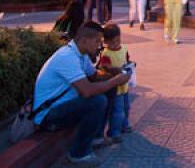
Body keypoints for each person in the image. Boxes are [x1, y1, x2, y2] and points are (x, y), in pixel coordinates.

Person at [33, 22, 130, 165]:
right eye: (97, 41)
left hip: (65, 105)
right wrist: (115, 81)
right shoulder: (67, 57)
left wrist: (113, 73)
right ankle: (79, 153)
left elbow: (95, 75)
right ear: (84, 41)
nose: (100, 46)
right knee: (97, 101)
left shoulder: (81, 54)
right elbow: (87, 91)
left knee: (108, 88)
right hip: (48, 115)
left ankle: (96, 138)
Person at [98, 23, 133, 142]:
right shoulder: (106, 53)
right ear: (106, 41)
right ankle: (114, 132)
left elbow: (127, 60)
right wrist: (115, 70)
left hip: (125, 86)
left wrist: (130, 65)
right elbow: (105, 67)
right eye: (112, 42)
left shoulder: (124, 49)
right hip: (115, 87)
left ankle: (124, 125)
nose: (115, 44)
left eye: (118, 41)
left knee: (126, 107)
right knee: (117, 110)